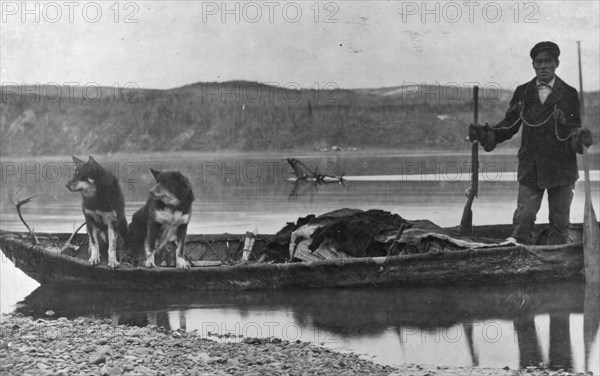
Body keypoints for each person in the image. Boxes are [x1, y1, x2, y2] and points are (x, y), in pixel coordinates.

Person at [469, 41, 593, 245]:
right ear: (533, 65)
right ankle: (520, 253)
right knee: (524, 218)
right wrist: (485, 132)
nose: (543, 66)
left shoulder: (569, 94)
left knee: (560, 223)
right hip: (531, 167)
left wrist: (581, 137)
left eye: (548, 62)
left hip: (562, 169)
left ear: (556, 63)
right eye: (539, 62)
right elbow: (508, 125)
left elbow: (575, 131)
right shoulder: (523, 92)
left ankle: (556, 264)